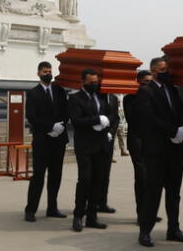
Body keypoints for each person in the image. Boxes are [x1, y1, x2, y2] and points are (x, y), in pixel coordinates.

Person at [137, 57, 183, 247]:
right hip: (156, 151)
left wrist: (181, 129)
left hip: (175, 148)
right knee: (153, 193)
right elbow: (150, 118)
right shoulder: (145, 91)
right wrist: (171, 131)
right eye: (162, 69)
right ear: (153, 71)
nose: (166, 71)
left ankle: (173, 229)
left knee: (174, 193)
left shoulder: (172, 90)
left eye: (167, 68)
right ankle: (145, 231)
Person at [24, 61, 69, 222]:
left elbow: (66, 110)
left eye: (50, 71)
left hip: (59, 139)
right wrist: (50, 127)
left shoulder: (59, 90)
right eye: (44, 71)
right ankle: (30, 210)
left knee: (56, 176)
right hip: (42, 140)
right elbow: (32, 117)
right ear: (38, 73)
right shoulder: (33, 93)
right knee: (38, 176)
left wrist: (60, 126)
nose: (48, 74)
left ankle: (52, 207)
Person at [69, 69, 113, 232]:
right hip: (85, 146)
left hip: (101, 144)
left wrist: (107, 123)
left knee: (97, 181)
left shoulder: (101, 97)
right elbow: (76, 120)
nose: (95, 85)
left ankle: (92, 216)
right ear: (83, 82)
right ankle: (78, 216)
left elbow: (110, 114)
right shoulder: (75, 98)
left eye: (96, 82)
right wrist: (95, 120)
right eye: (91, 82)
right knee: (85, 181)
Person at [123, 70, 154, 222]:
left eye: (150, 82)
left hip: (151, 142)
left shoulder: (153, 98)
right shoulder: (130, 98)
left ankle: (149, 212)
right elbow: (132, 119)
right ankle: (141, 213)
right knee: (141, 176)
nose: (148, 85)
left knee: (151, 179)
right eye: (145, 82)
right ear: (139, 82)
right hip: (136, 141)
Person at [98, 91, 121, 214]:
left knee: (105, 172)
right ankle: (89, 202)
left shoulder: (113, 98)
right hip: (96, 138)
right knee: (92, 174)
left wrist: (111, 132)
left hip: (109, 139)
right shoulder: (96, 95)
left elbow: (116, 118)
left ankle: (102, 202)